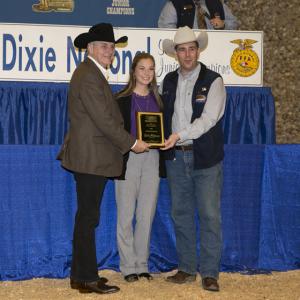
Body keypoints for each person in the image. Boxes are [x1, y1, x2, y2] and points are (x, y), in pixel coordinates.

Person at [57, 23, 149, 294]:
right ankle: (85, 278)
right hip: (90, 158)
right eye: (105, 47)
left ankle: (81, 275)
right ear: (91, 48)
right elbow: (104, 120)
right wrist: (132, 143)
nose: (110, 51)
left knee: (87, 217)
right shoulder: (88, 75)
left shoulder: (92, 73)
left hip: (90, 157)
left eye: (112, 47)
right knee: (88, 218)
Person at [159, 26, 226, 292]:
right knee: (181, 213)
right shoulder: (168, 81)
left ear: (198, 50)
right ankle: (186, 268)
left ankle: (210, 273)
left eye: (191, 48)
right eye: (182, 49)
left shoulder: (214, 81)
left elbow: (208, 120)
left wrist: (177, 135)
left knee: (210, 215)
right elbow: (160, 114)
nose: (187, 54)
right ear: (175, 53)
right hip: (176, 157)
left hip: (206, 158)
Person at [114, 53, 163, 282]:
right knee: (125, 214)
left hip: (152, 158)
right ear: (133, 71)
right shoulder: (121, 99)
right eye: (142, 68)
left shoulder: (159, 100)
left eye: (151, 69)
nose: (146, 73)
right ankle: (127, 267)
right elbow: (114, 132)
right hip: (129, 159)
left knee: (146, 214)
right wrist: (133, 144)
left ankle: (142, 264)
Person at [158, 0, 238, 30]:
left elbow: (234, 23)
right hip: (186, 49)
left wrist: (223, 24)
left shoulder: (217, 3)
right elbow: (165, 28)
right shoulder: (175, 4)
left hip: (215, 47)